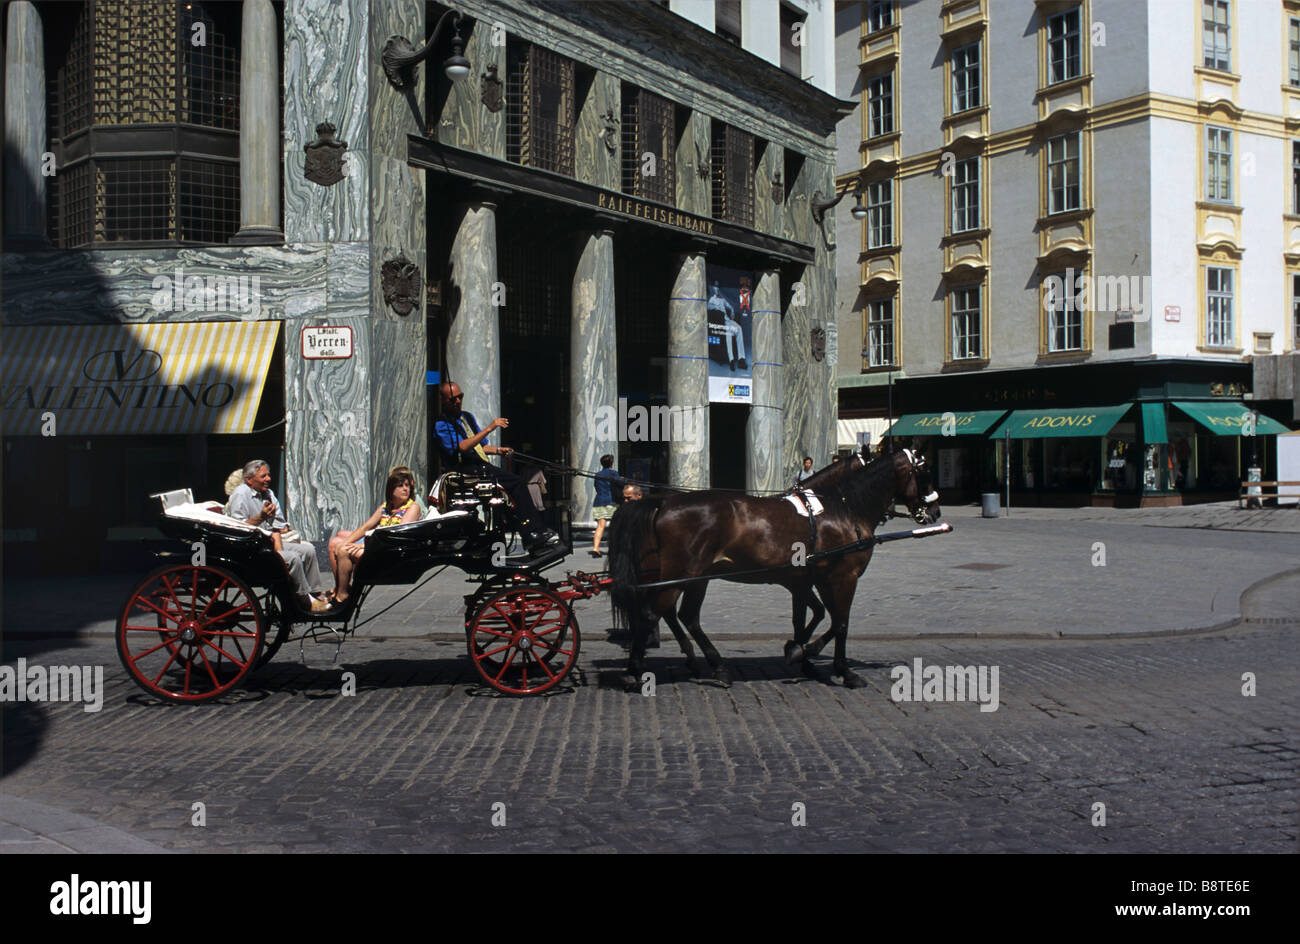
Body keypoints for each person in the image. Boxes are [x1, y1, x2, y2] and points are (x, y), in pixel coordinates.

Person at [434, 381, 560, 553]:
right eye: (452, 399)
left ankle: (530, 531)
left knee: (512, 487)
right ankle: (532, 533)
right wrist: (490, 427)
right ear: (443, 400)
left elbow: (479, 446)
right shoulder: (442, 424)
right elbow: (463, 447)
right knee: (516, 482)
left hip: (479, 464)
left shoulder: (467, 417)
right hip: (464, 469)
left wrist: (498, 450)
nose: (457, 401)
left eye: (460, 397)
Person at [227, 459, 328, 613]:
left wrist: (280, 528)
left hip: (269, 541)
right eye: (263, 476)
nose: (268, 479)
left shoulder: (268, 493)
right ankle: (304, 600)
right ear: (249, 479)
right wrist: (261, 517)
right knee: (292, 557)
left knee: (308, 551)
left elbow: (280, 524)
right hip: (251, 548)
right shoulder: (240, 494)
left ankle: (314, 592)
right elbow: (238, 529)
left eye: (268, 475)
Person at [328, 469, 422, 604]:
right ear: (391, 489)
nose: (405, 489)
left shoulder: (412, 507)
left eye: (407, 485)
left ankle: (342, 595)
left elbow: (397, 535)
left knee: (343, 551)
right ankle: (341, 590)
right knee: (339, 545)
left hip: (390, 551)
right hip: (378, 545)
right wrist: (347, 542)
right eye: (400, 485)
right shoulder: (386, 507)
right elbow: (366, 527)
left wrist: (364, 545)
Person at [707, 281, 747, 371]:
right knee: (729, 334)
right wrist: (715, 308)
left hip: (728, 321)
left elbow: (730, 306)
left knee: (739, 329)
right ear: (713, 289)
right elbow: (708, 307)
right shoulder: (712, 300)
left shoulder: (722, 299)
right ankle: (731, 360)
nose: (717, 289)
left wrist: (732, 311)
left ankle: (741, 358)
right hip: (720, 323)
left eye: (718, 287)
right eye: (715, 287)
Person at [590, 454, 621, 558]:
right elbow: (619, 485)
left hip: (599, 501)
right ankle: (614, 549)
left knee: (600, 526)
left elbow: (596, 486)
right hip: (611, 502)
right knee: (615, 526)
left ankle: (595, 549)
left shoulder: (597, 474)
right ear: (611, 463)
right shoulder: (614, 473)